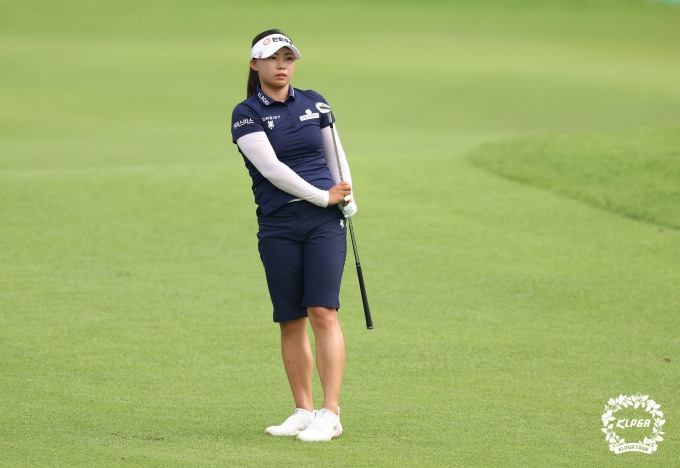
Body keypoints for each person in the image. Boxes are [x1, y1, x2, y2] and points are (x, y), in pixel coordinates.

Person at [230, 29, 358, 442]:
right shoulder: (246, 113)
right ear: (255, 64)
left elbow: (336, 156)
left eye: (288, 58)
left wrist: (347, 195)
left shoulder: (315, 102)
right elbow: (271, 169)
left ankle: (330, 413)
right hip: (279, 224)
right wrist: (322, 196)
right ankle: (304, 411)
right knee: (290, 319)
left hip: (324, 223)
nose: (281, 65)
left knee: (323, 311)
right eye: (272, 58)